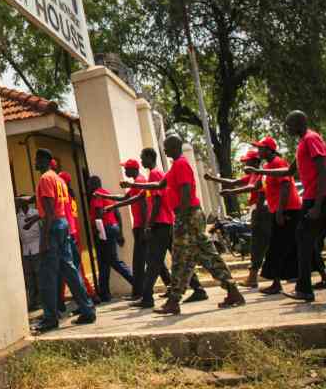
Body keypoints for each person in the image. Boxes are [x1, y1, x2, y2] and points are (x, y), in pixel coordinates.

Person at [248, 111, 326, 301]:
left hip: (318, 199)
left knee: (305, 240)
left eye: (290, 125)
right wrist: (258, 170)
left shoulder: (311, 139)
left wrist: (317, 204)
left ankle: (305, 288)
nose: (288, 129)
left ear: (300, 123)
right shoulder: (303, 143)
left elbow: (324, 171)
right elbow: (290, 171)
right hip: (317, 198)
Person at [122, 134, 244, 315]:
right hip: (188, 216)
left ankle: (174, 301)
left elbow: (186, 191)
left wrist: (181, 217)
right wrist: (137, 187)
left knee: (181, 257)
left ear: (175, 147)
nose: (163, 149)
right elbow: (159, 185)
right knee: (204, 255)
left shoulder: (181, 164)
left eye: (166, 146)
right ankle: (232, 291)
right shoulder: (174, 166)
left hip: (188, 216)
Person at [32, 149, 95, 333]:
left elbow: (49, 211)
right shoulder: (59, 179)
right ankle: (88, 309)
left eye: (37, 159)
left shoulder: (45, 179)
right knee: (70, 270)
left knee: (47, 275)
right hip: (63, 225)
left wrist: (43, 240)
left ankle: (50, 318)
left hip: (52, 227)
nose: (35, 162)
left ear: (44, 160)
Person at [204, 148, 269, 288]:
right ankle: (254, 278)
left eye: (247, 162)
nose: (245, 165)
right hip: (256, 210)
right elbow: (233, 182)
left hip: (261, 211)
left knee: (259, 245)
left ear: (255, 162)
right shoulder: (253, 175)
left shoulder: (259, 174)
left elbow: (252, 188)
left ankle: (253, 278)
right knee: (258, 245)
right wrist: (212, 178)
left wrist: (231, 192)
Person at [255, 140, 302, 295]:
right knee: (291, 245)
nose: (258, 152)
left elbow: (286, 186)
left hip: (289, 209)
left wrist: (281, 210)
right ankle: (278, 282)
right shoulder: (267, 167)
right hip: (279, 210)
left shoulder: (278, 162)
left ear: (269, 150)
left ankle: (276, 283)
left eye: (260, 149)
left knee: (277, 246)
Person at [88, 174, 134, 302]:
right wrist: (120, 232)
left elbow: (98, 214)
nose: (87, 186)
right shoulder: (106, 193)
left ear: (94, 184)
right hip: (112, 228)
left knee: (113, 260)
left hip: (104, 229)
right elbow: (117, 213)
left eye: (89, 184)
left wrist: (98, 233)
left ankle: (137, 283)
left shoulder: (96, 194)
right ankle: (104, 293)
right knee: (103, 262)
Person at [58, 170, 98, 305]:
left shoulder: (65, 197)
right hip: (75, 233)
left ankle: (89, 296)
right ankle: (63, 299)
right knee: (72, 268)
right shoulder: (71, 195)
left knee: (72, 268)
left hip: (71, 234)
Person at [17, 197, 42, 311]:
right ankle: (33, 301)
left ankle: (42, 300)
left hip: (37, 246)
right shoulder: (17, 217)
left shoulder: (36, 213)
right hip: (26, 249)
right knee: (29, 277)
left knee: (39, 274)